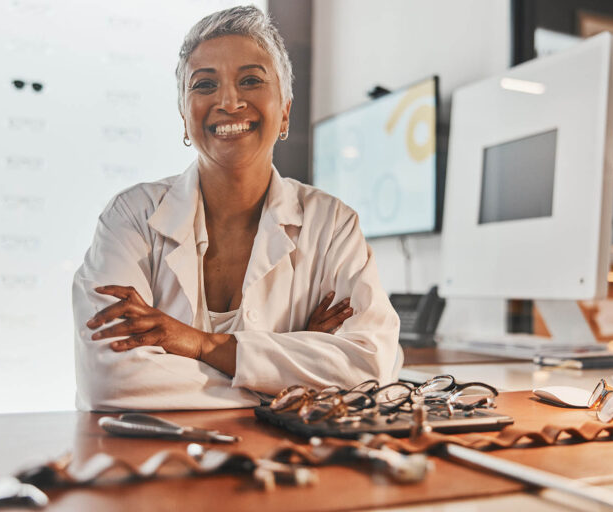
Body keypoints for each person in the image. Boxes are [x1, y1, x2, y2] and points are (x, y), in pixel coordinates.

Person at [73, 5, 401, 411]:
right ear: (184, 115)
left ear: (284, 110)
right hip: (157, 461)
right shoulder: (131, 217)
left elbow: (370, 368)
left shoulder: (332, 225)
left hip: (285, 466)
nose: (228, 101)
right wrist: (290, 369)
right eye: (204, 85)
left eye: (250, 80)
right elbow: (112, 381)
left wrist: (203, 344)